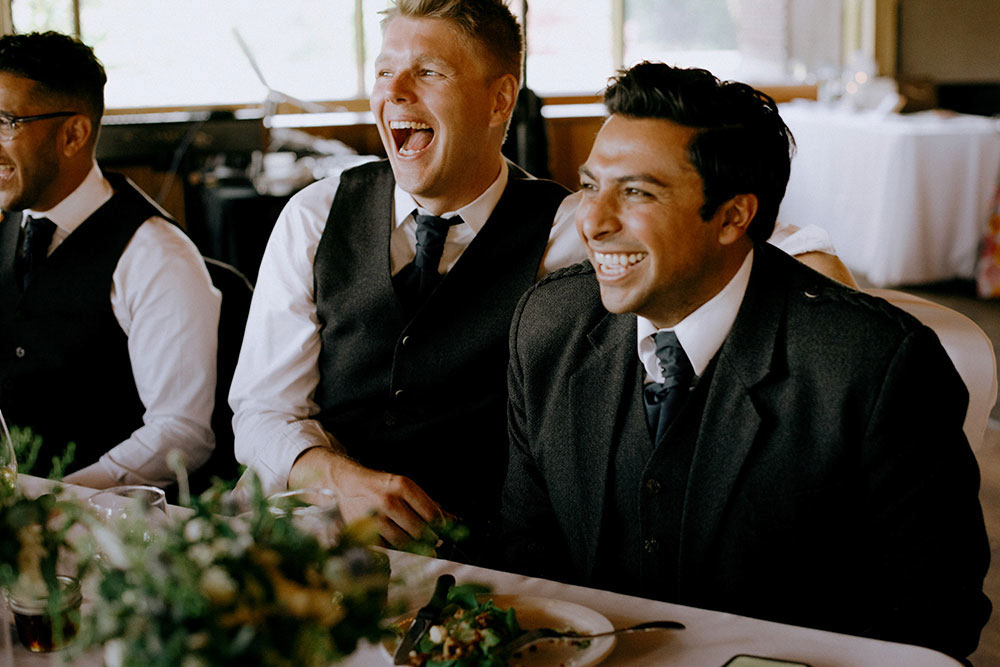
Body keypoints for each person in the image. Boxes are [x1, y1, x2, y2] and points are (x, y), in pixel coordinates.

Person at [231, 0, 853, 552]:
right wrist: (339, 477)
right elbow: (261, 411)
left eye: (428, 72)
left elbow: (721, 232)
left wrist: (812, 267)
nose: (395, 93)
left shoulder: (569, 224)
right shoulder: (313, 217)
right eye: (385, 72)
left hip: (480, 552)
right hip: (315, 531)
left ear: (500, 100)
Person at [501, 61, 990, 660]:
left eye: (635, 192)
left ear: (734, 216)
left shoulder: (876, 367)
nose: (594, 223)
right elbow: (527, 560)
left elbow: (937, 620)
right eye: (590, 184)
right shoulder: (548, 326)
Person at [0, 32, 220, 488]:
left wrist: (60, 500)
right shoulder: (10, 221)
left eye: (5, 122)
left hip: (102, 530)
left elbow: (182, 434)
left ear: (73, 133)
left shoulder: (156, 255)